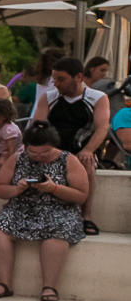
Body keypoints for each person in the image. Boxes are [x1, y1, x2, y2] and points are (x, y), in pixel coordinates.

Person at [0, 121, 91, 301]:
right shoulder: (17, 158)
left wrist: (54, 188)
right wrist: (16, 190)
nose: (39, 157)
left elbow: (81, 195)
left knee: (57, 233)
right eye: (34, 153)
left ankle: (49, 287)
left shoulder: (68, 160)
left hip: (59, 209)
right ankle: (4, 283)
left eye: (45, 153)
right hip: (21, 208)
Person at [31, 56, 109, 235]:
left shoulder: (97, 98)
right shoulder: (49, 97)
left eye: (61, 79)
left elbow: (102, 127)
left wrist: (88, 149)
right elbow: (38, 126)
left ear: (78, 77)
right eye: (54, 79)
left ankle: (86, 216)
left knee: (87, 164)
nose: (56, 83)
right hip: (53, 149)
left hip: (80, 149)